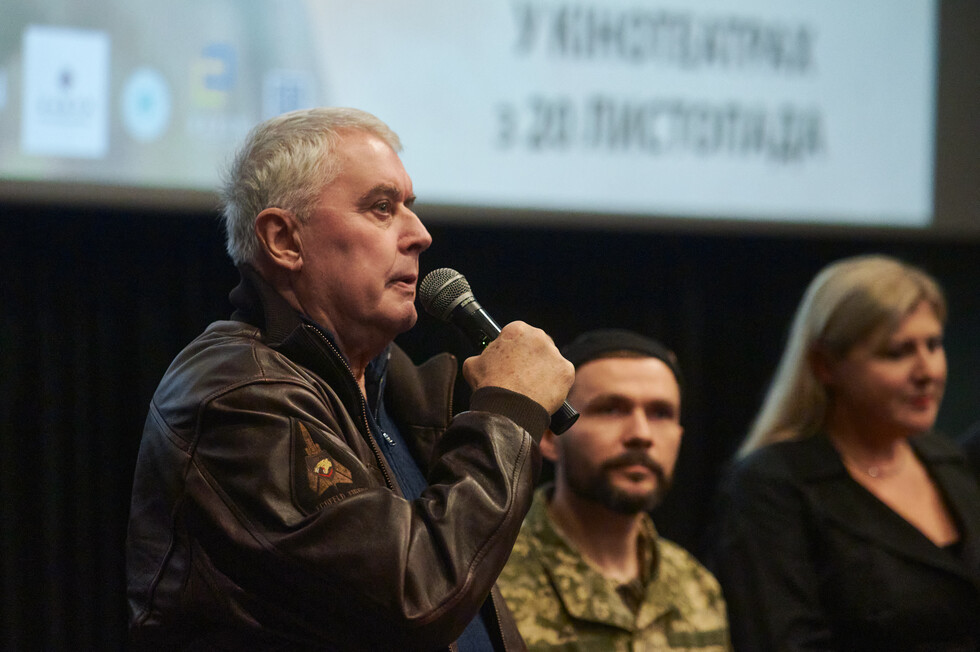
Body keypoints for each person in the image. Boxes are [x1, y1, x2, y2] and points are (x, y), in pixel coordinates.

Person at [125, 107, 575, 651]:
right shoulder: (238, 394)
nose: (421, 235)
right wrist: (509, 410)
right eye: (382, 208)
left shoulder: (396, 393)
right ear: (284, 239)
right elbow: (415, 595)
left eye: (410, 207)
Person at [707, 254, 980, 651]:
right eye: (898, 352)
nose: (927, 372)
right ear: (825, 365)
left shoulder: (949, 461)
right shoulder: (772, 487)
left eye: (934, 346)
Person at [498, 328, 731, 651]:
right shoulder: (492, 580)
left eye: (660, 413)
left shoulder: (697, 588)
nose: (641, 434)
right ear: (549, 436)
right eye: (610, 409)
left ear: (680, 435)